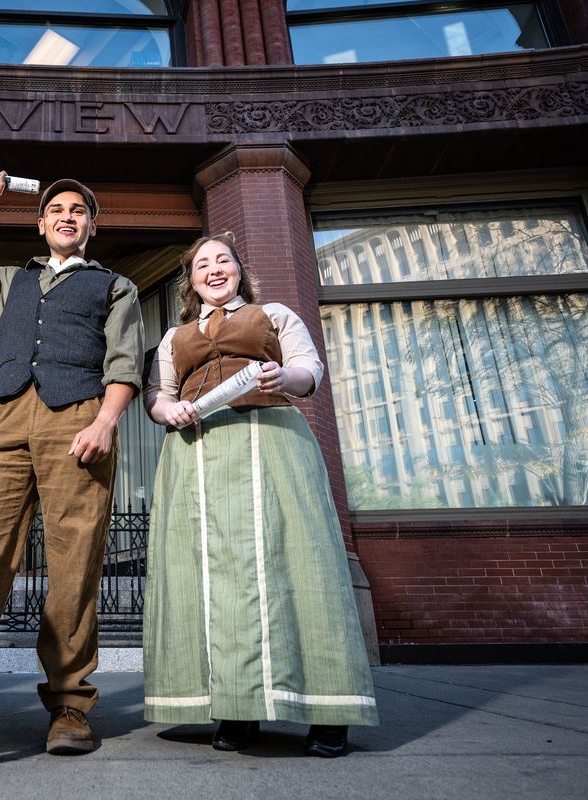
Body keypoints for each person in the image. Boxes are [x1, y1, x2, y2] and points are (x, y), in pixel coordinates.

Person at [0, 168, 144, 755]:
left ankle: (69, 704)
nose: (67, 216)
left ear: (91, 225)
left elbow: (124, 364)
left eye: (78, 210)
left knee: (75, 562)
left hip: (79, 420)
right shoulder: (10, 283)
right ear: (41, 224)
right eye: (57, 210)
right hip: (6, 418)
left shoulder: (115, 286)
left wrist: (104, 421)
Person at [141, 232, 377, 756]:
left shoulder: (274, 315)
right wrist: (165, 410)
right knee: (212, 578)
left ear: (239, 270)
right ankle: (236, 707)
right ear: (192, 280)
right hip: (197, 456)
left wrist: (283, 377)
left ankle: (328, 709)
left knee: (300, 565)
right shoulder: (174, 337)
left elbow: (308, 369)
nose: (214, 268)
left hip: (271, 445)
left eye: (223, 259)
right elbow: (159, 394)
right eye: (203, 263)